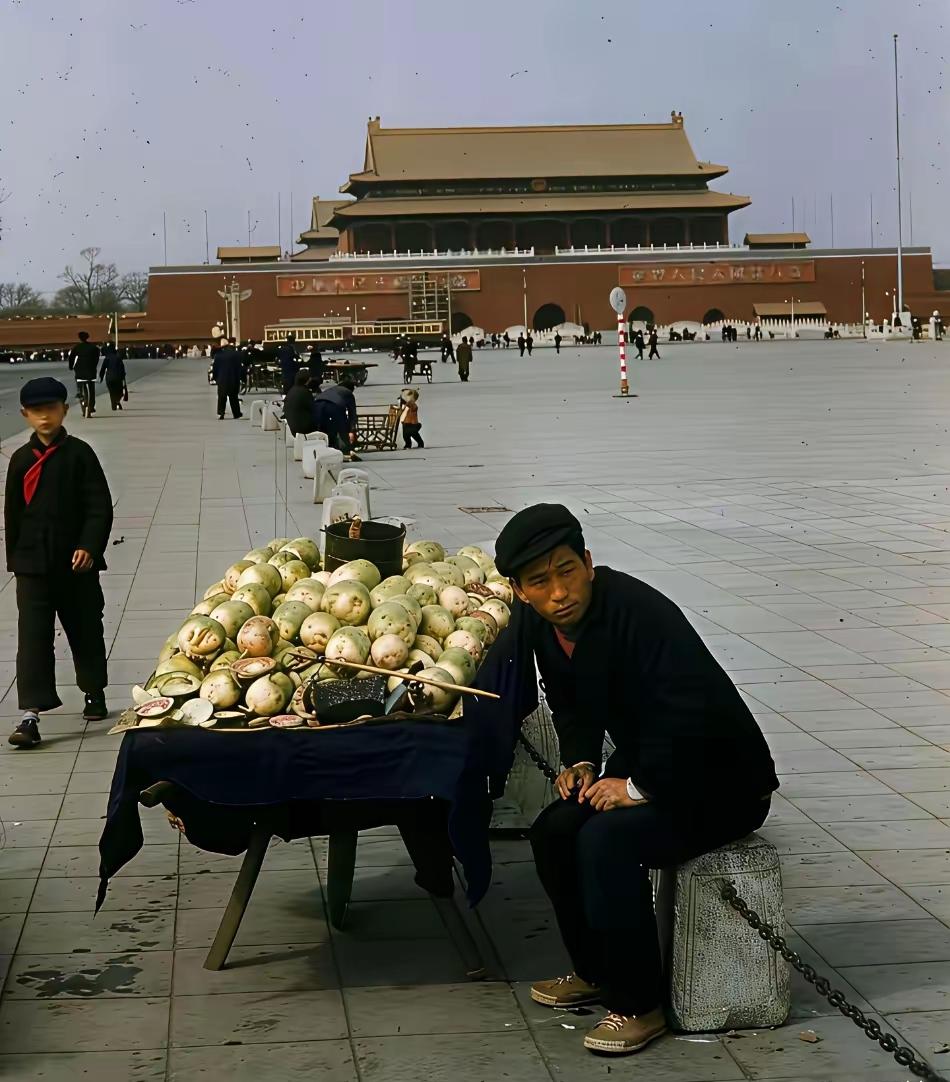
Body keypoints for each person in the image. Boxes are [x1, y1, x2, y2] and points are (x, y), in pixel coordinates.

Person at [478, 504, 777, 1056]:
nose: (559, 592)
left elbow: (691, 713)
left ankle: (640, 1005)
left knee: (605, 841)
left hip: (722, 781)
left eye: (567, 571)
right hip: (647, 761)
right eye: (540, 582)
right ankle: (595, 971)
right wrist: (581, 762)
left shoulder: (640, 612)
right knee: (554, 829)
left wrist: (637, 788)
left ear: (589, 563)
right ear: (520, 591)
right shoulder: (541, 625)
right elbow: (568, 701)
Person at [6, 377, 113, 747]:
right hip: (33, 567)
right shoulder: (21, 460)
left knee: (85, 628)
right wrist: (17, 560)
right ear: (25, 415)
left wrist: (89, 546)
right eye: (36, 411)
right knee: (33, 638)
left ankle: (93, 690)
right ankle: (30, 714)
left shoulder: (80, 454)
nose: (44, 417)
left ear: (65, 410)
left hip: (75, 565)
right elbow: (13, 514)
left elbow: (99, 507)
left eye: (51, 409)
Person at [318, 376, 359, 459]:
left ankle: (327, 449)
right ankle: (346, 451)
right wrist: (351, 430)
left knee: (325, 429)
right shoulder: (348, 393)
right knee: (342, 426)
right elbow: (352, 413)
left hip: (318, 405)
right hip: (334, 406)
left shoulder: (331, 389)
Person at [68, 330, 100, 415]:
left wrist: (71, 366)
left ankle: (79, 392)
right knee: (91, 389)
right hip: (91, 370)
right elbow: (96, 358)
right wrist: (94, 366)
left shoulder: (77, 347)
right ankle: (91, 406)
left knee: (79, 380)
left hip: (80, 369)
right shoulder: (94, 347)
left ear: (80, 338)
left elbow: (71, 357)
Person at [212, 337, 243, 419]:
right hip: (234, 378)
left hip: (222, 379)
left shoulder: (218, 356)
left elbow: (215, 368)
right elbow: (239, 367)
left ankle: (221, 413)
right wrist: (240, 377)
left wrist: (215, 378)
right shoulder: (236, 354)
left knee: (222, 397)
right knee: (234, 397)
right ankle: (236, 413)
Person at [283, 370, 317, 436]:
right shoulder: (305, 392)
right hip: (302, 427)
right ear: (307, 380)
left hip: (292, 426)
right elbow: (313, 409)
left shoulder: (292, 390)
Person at [98, 344, 127, 411]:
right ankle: (117, 401)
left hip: (109, 378)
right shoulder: (118, 358)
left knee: (112, 392)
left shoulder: (107, 358)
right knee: (119, 392)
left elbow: (103, 369)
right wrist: (123, 377)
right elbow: (122, 369)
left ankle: (114, 405)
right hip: (118, 377)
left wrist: (101, 377)